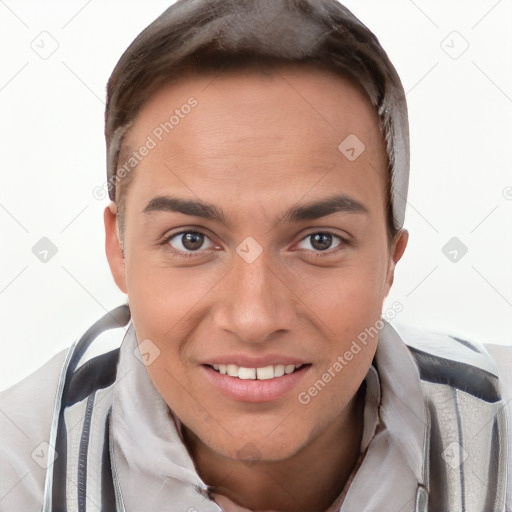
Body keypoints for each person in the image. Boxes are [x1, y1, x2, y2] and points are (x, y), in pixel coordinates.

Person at [1, 1, 511, 511]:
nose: (254, 318)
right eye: (192, 240)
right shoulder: (19, 468)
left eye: (319, 241)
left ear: (391, 259)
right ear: (120, 251)